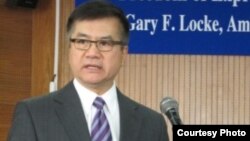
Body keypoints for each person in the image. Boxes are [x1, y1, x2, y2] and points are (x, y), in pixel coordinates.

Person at [7, 0, 169, 141]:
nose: (92, 53)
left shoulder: (152, 124)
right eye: (82, 41)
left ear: (123, 53)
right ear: (70, 48)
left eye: (105, 44)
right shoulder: (34, 114)